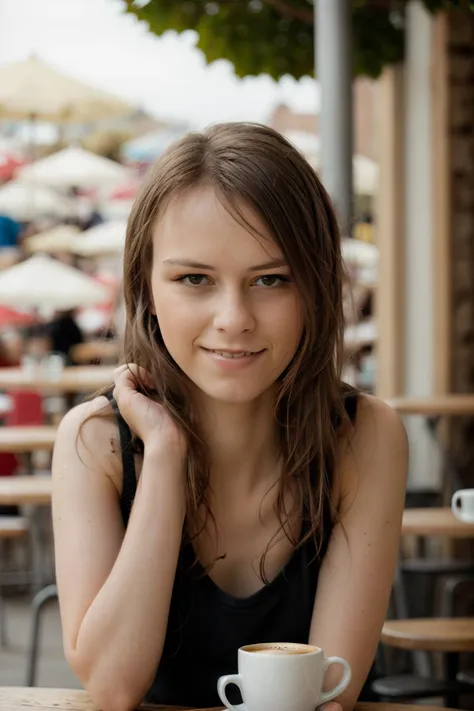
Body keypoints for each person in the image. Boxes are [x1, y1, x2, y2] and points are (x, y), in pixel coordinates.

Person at [52, 123, 408, 711]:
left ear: (316, 285)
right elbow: (113, 688)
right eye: (195, 279)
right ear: (145, 287)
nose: (234, 318)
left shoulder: (363, 435)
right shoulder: (96, 442)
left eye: (270, 279)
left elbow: (328, 696)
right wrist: (165, 457)